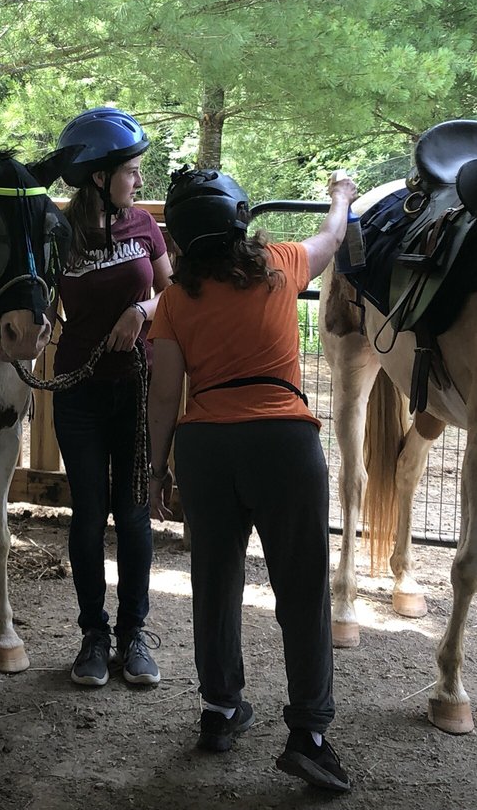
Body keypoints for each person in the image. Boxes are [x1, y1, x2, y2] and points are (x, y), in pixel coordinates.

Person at [147, 166, 357, 792]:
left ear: (179, 237)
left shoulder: (175, 300)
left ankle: (219, 711)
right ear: (240, 216)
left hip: (205, 444)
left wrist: (157, 467)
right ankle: (310, 735)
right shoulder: (280, 265)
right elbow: (333, 238)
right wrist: (341, 197)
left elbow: (163, 395)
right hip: (284, 442)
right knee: (302, 589)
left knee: (214, 583)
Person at [53, 106, 173, 688]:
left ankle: (134, 635)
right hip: (77, 391)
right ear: (99, 176)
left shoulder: (144, 226)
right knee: (87, 516)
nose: (139, 180)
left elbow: (171, 295)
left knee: (132, 516)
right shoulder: (59, 235)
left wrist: (140, 308)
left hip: (136, 390)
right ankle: (93, 637)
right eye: (131, 170)